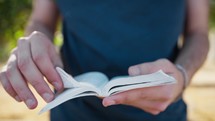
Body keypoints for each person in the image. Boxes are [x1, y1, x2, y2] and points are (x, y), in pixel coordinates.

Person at [0, 0, 209, 121]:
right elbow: (41, 20)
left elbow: (198, 32)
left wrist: (182, 74)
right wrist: (33, 42)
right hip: (73, 111)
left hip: (163, 112)